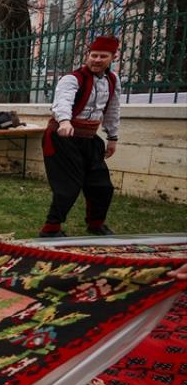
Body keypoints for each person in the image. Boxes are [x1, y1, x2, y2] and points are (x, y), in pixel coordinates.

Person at [39, 35, 123, 237]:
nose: (97, 59)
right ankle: (51, 229)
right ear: (88, 55)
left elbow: (112, 109)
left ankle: (96, 224)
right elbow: (62, 102)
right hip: (63, 138)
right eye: (94, 55)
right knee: (68, 185)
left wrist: (112, 138)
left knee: (101, 185)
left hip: (90, 139)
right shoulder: (72, 79)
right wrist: (65, 121)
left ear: (113, 57)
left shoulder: (112, 80)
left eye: (103, 56)